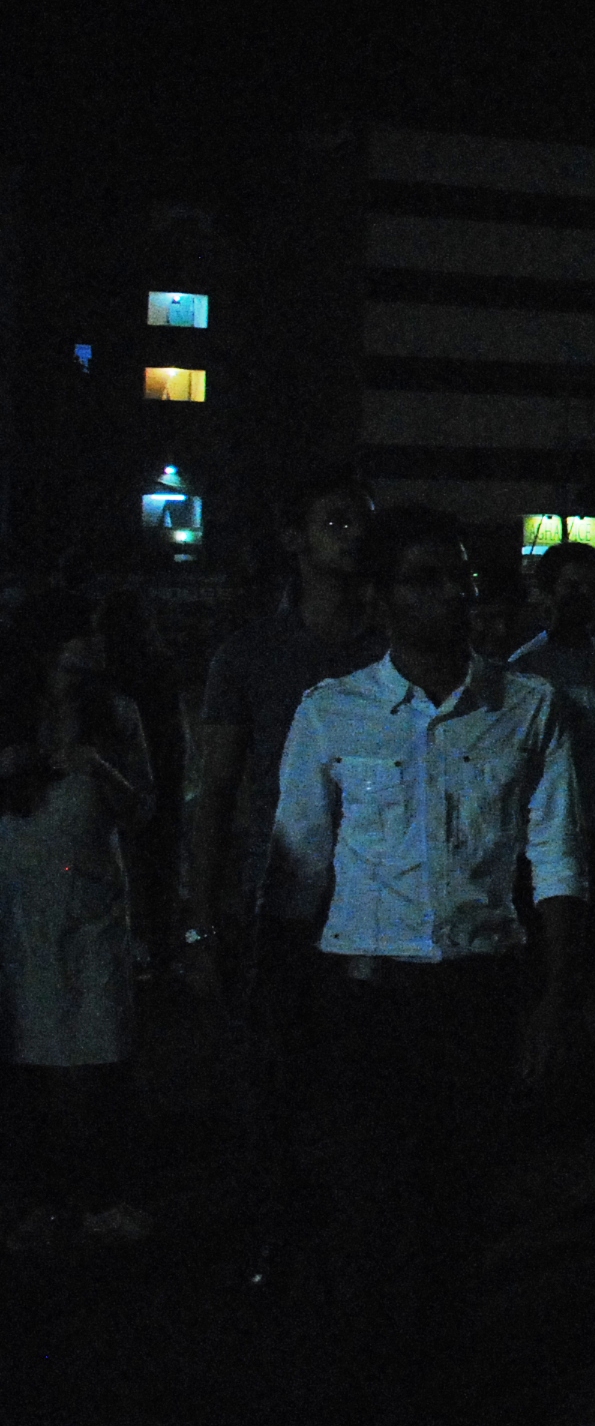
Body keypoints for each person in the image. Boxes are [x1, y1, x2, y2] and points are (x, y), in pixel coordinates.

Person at [268, 505, 585, 1422]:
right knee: (370, 1210)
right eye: (425, 579)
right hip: (364, 998)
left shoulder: (528, 708)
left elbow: (559, 861)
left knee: (459, 1208)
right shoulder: (331, 712)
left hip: (476, 993)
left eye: (460, 578)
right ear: (380, 599)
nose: (453, 595)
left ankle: (436, 1378)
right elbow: (298, 871)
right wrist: (279, 1006)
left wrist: (554, 1000)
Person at [184, 469, 384, 1291]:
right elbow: (216, 792)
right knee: (276, 1077)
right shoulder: (249, 656)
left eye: (359, 522)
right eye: (335, 520)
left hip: (375, 900)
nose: (353, 535)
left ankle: (348, 1240)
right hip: (280, 898)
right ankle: (278, 1231)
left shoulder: (386, 652)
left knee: (362, 1083)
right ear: (294, 540)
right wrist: (201, 921)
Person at [1, 614, 158, 1252]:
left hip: (91, 901)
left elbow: (142, 807)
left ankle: (101, 1196)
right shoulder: (14, 713)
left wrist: (98, 767)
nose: (91, 644)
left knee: (99, 1049)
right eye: (77, 633)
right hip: (18, 904)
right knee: (27, 1053)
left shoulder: (115, 714)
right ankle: (39, 1200)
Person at [512, 542, 595, 991]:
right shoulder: (525, 666)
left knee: (591, 934)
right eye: (572, 586)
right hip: (544, 827)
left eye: (593, 586)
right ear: (547, 592)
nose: (584, 596)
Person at [93, 584, 188, 964]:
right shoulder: (160, 667)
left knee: (122, 867)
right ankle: (163, 953)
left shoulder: (105, 676)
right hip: (160, 774)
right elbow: (173, 734)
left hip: (120, 772)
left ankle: (132, 950)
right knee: (159, 869)